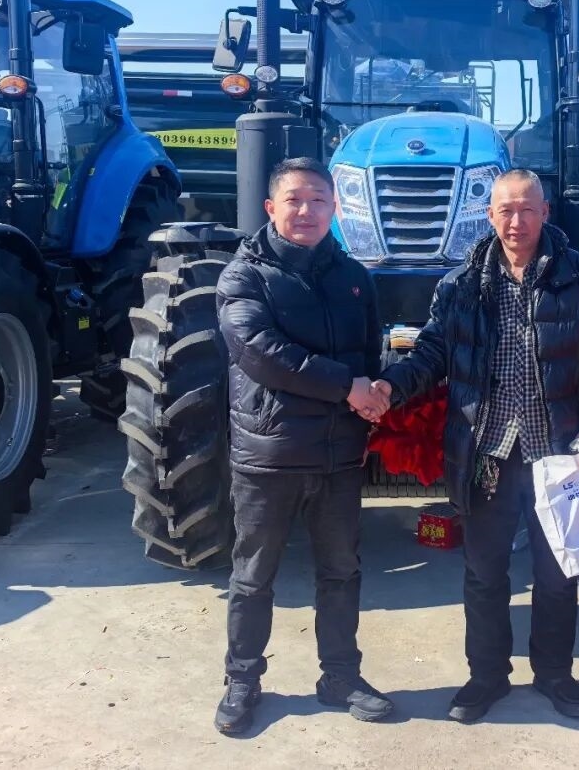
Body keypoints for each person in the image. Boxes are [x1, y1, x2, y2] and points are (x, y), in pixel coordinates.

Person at [373, 169, 579, 724]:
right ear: (489, 216)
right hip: (487, 452)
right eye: (506, 210)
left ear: (545, 212)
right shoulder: (461, 284)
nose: (517, 221)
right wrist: (389, 388)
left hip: (556, 453)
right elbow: (432, 353)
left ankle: (554, 673)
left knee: (558, 574)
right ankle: (486, 676)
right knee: (484, 574)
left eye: (527, 209)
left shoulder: (578, 274)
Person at [213, 156, 393, 735]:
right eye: (294, 199)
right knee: (253, 577)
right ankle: (243, 680)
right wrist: (348, 387)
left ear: (334, 209)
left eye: (319, 200)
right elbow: (261, 352)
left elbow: (369, 353)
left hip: (339, 456)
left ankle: (340, 676)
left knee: (341, 572)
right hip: (271, 455)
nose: (306, 211)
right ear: (271, 207)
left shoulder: (354, 278)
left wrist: (373, 396)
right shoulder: (243, 276)